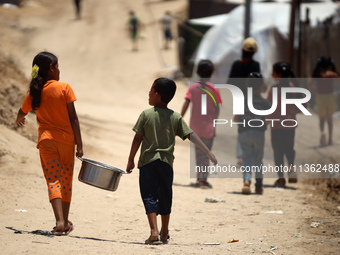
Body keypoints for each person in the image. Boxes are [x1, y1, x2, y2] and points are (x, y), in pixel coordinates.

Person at [126, 77, 217, 245]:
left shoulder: (146, 114)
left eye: (151, 90)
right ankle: (165, 231)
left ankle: (153, 231)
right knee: (165, 195)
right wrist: (208, 152)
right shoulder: (175, 117)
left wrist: (131, 159)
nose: (149, 92)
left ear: (158, 96)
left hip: (147, 163)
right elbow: (191, 135)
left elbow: (137, 138)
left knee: (149, 195)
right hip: (166, 163)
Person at [16, 52, 83, 235]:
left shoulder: (34, 91)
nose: (59, 70)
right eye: (58, 66)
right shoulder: (64, 88)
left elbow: (22, 112)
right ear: (51, 68)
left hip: (46, 142)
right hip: (66, 142)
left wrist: (18, 119)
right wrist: (80, 144)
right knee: (66, 181)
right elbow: (74, 119)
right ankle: (66, 223)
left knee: (53, 180)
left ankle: (60, 221)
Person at [181, 60, 221, 188]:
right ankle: (203, 179)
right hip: (208, 126)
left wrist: (180, 118)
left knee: (199, 153)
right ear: (211, 73)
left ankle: (200, 178)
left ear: (198, 72)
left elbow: (186, 103)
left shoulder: (192, 87)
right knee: (207, 152)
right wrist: (214, 123)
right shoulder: (214, 88)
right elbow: (217, 109)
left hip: (195, 126)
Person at [234, 73, 270, 195]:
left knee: (246, 158)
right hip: (259, 133)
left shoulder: (241, 100)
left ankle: (247, 181)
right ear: (262, 87)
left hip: (244, 132)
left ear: (247, 85)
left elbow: (235, 119)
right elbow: (268, 120)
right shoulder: (265, 103)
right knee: (258, 159)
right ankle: (259, 186)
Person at [227, 37, 261, 166]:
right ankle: (250, 154)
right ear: (255, 51)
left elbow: (230, 83)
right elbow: (258, 83)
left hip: (239, 99)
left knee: (241, 127)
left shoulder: (236, 65)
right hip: (253, 100)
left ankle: (241, 156)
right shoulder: (256, 65)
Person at [267, 62, 301, 187]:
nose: (272, 74)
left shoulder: (274, 89)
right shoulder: (294, 88)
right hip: (290, 124)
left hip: (276, 126)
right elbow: (302, 106)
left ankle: (281, 178)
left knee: (278, 151)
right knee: (289, 148)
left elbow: (269, 107)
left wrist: (266, 119)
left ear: (279, 74)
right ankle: (291, 169)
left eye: (273, 72)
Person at [309, 57, 339, 146]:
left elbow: (309, 84)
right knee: (329, 120)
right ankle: (330, 139)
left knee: (321, 120)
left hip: (320, 97)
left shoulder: (317, 74)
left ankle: (322, 132)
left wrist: (316, 90)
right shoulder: (331, 74)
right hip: (330, 96)